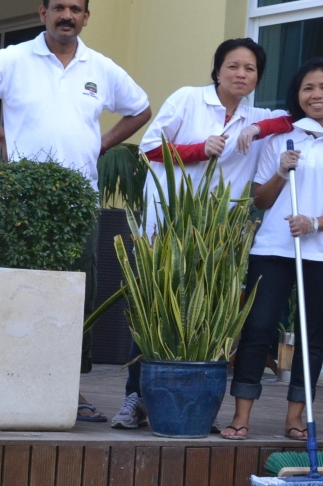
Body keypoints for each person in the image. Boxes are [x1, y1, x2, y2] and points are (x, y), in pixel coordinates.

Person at [0, 0, 151, 422]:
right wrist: (0, 132)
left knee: (77, 293)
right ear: (43, 14)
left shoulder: (101, 67)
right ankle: (5, 382)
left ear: (86, 17)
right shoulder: (15, 59)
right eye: (59, 8)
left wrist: (102, 143)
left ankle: (67, 389)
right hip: (23, 203)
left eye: (76, 9)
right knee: (18, 292)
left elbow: (140, 109)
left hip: (79, 202)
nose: (67, 16)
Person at [111, 37, 293, 430]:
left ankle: (193, 402)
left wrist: (259, 126)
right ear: (217, 71)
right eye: (233, 66)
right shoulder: (188, 99)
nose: (241, 74)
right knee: (155, 310)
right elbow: (148, 148)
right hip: (168, 228)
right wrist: (198, 149)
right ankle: (134, 398)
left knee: (208, 316)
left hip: (218, 237)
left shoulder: (253, 116)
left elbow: (292, 121)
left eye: (250, 68)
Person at [221, 58, 323, 440]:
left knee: (311, 334)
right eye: (308, 88)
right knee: (258, 327)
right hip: (273, 249)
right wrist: (281, 173)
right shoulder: (280, 140)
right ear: (297, 96)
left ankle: (296, 417)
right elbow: (262, 200)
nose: (316, 95)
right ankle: (241, 416)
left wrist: (315, 223)